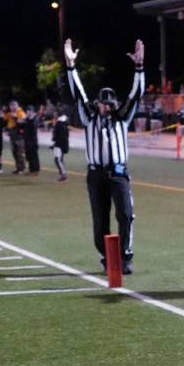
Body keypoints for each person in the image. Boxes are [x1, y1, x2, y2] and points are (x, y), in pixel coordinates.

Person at [66, 37, 145, 275]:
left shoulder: (122, 118)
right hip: (96, 175)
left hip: (119, 173)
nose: (108, 108)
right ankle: (107, 256)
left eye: (111, 105)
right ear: (98, 104)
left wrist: (139, 67)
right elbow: (78, 94)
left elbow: (136, 94)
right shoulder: (89, 118)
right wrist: (71, 66)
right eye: (104, 104)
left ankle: (125, 256)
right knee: (100, 219)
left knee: (126, 215)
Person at [51, 113, 69, 182]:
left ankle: (64, 176)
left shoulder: (60, 124)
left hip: (60, 145)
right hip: (60, 144)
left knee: (58, 160)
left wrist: (56, 144)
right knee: (58, 160)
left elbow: (61, 136)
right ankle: (63, 175)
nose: (54, 115)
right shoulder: (62, 123)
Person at [23, 106, 40, 175]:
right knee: (29, 155)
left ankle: (35, 170)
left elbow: (34, 128)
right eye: (27, 110)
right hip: (27, 139)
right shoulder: (27, 118)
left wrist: (30, 119)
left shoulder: (35, 118)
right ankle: (31, 170)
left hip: (32, 140)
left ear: (32, 111)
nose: (28, 112)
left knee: (33, 155)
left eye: (29, 111)